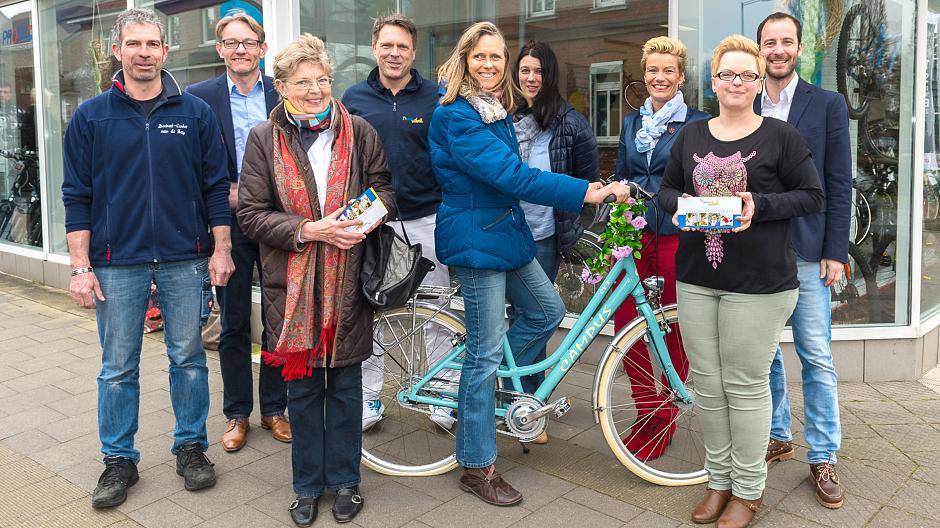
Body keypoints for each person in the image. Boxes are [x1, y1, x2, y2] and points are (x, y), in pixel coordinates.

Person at [429, 21, 631, 507]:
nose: (490, 64)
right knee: (484, 351)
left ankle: (498, 394)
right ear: (464, 60)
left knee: (545, 311)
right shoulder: (456, 116)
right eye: (481, 56)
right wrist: (587, 191)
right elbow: (511, 174)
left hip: (506, 235)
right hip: (478, 240)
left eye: (497, 57)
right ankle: (477, 465)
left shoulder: (496, 109)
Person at [61, 8, 233, 509]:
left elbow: (215, 189)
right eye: (133, 44)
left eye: (152, 44)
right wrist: (80, 266)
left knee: (189, 358)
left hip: (185, 259)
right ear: (118, 50)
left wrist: (221, 249)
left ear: (165, 50)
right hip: (116, 262)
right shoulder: (92, 116)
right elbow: (76, 197)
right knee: (117, 366)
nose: (143, 52)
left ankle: (191, 447)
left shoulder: (194, 113)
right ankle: (118, 460)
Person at [659, 35, 824, 527]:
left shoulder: (780, 137)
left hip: (760, 282)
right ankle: (718, 480)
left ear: (758, 84)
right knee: (708, 386)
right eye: (727, 74)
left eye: (746, 75)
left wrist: (761, 205)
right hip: (696, 278)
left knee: (746, 386)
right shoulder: (690, 136)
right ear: (713, 82)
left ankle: (748, 492)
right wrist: (683, 207)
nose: (736, 82)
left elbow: (812, 195)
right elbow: (665, 191)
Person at [237, 34, 394, 527]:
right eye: (302, 82)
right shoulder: (265, 138)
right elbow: (251, 214)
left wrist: (363, 221)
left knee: (346, 388)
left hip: (348, 283)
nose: (314, 91)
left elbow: (385, 188)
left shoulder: (360, 130)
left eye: (322, 80)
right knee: (303, 394)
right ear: (280, 86)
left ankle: (346, 482)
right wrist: (309, 229)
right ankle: (307, 486)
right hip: (293, 286)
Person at [341, 13, 456, 431]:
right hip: (373, 225)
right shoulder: (352, 99)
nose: (394, 53)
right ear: (375, 49)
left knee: (436, 310)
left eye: (402, 47)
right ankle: (369, 397)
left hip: (427, 217)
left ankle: (442, 394)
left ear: (413, 52)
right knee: (372, 312)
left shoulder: (436, 97)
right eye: (387, 46)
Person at [756, 12, 852, 510]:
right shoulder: (743, 102)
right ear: (759, 49)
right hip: (755, 254)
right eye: (769, 42)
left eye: (786, 42)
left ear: (798, 48)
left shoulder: (828, 104)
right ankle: (777, 434)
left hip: (810, 253)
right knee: (766, 354)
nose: (778, 50)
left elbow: (838, 181)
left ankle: (823, 455)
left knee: (816, 356)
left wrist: (836, 251)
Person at [186, 12, 290, 453]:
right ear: (220, 50)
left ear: (263, 49)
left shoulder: (284, 94)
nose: (240, 49)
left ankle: (275, 409)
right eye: (231, 43)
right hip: (225, 225)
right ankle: (237, 413)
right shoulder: (198, 97)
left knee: (278, 320)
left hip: (276, 223)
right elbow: (190, 164)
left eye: (249, 42)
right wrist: (225, 193)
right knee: (230, 323)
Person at [612, 36, 709, 461]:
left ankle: (666, 414)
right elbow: (621, 175)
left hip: (675, 237)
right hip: (633, 237)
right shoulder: (631, 124)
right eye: (653, 70)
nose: (660, 77)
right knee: (625, 327)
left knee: (671, 328)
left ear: (681, 76)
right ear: (644, 73)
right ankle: (645, 408)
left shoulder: (698, 123)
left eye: (668, 70)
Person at [509, 39, 598, 439]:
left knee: (539, 319)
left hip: (543, 237)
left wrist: (574, 229)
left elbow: (586, 184)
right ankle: (505, 396)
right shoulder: (501, 117)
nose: (531, 78)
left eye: (538, 71)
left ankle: (529, 404)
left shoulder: (571, 123)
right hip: (506, 233)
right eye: (524, 70)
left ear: (551, 76)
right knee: (512, 319)